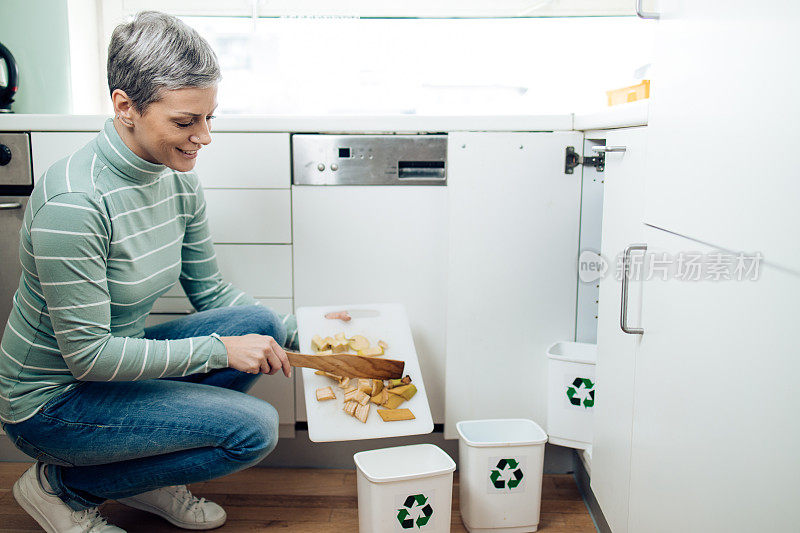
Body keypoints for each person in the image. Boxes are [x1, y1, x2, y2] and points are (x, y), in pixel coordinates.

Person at [0, 11, 301, 532]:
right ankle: (61, 487)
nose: (203, 136)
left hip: (112, 374)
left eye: (209, 117)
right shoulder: (75, 202)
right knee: (254, 431)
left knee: (263, 326)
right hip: (52, 403)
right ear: (125, 107)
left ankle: (141, 471)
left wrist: (303, 334)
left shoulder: (177, 180)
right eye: (185, 122)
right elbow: (90, 357)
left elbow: (211, 292)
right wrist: (219, 350)